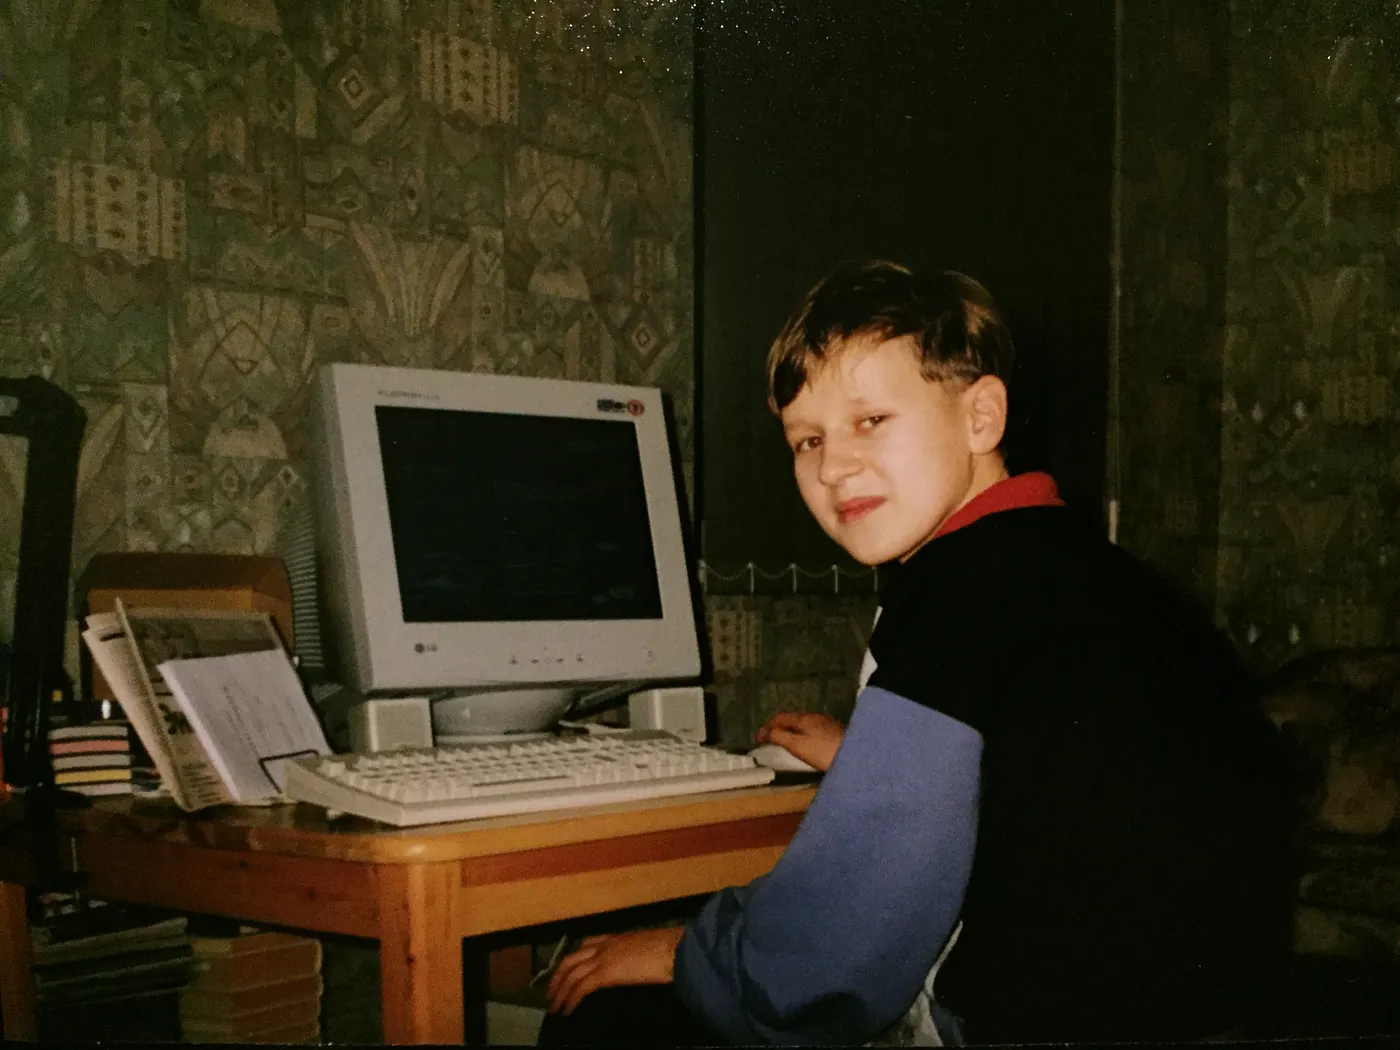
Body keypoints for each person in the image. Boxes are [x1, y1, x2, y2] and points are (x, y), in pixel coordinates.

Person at [540, 259, 1295, 1045]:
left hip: (1036, 1027)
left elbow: (837, 949)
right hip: (1207, 1016)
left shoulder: (956, 597)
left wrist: (686, 952)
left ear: (981, 417)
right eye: (807, 439)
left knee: (600, 1017)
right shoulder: (1084, 570)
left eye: (870, 420)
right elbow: (1057, 776)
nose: (833, 465)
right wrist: (872, 758)